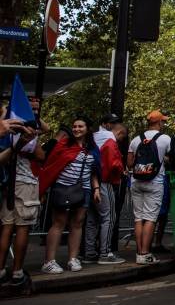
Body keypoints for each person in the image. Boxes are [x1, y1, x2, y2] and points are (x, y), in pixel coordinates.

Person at [38, 117, 101, 274]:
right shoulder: (64, 145)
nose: (76, 129)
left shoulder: (92, 148)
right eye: (74, 126)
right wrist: (43, 190)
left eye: (80, 126)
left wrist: (96, 188)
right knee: (59, 223)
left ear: (88, 129)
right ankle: (49, 261)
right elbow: (51, 166)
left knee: (78, 223)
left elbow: (93, 171)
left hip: (84, 189)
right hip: (63, 188)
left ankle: (73, 259)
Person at [0, 115, 41, 293]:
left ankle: (1, 270)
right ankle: (17, 272)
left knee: (7, 227)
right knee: (22, 228)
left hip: (9, 184)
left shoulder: (6, 137)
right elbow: (42, 156)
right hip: (25, 185)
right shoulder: (27, 139)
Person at [127, 110, 173, 265]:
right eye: (163, 122)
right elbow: (171, 158)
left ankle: (139, 252)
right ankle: (145, 253)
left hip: (136, 181)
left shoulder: (135, 140)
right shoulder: (165, 139)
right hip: (155, 181)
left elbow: (129, 163)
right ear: (159, 122)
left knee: (138, 218)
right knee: (150, 218)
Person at [82, 116, 125, 265]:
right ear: (118, 131)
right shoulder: (110, 139)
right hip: (105, 182)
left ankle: (89, 253)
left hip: (90, 181)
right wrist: (121, 172)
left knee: (92, 218)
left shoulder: (92, 137)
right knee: (109, 216)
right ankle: (105, 253)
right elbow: (114, 164)